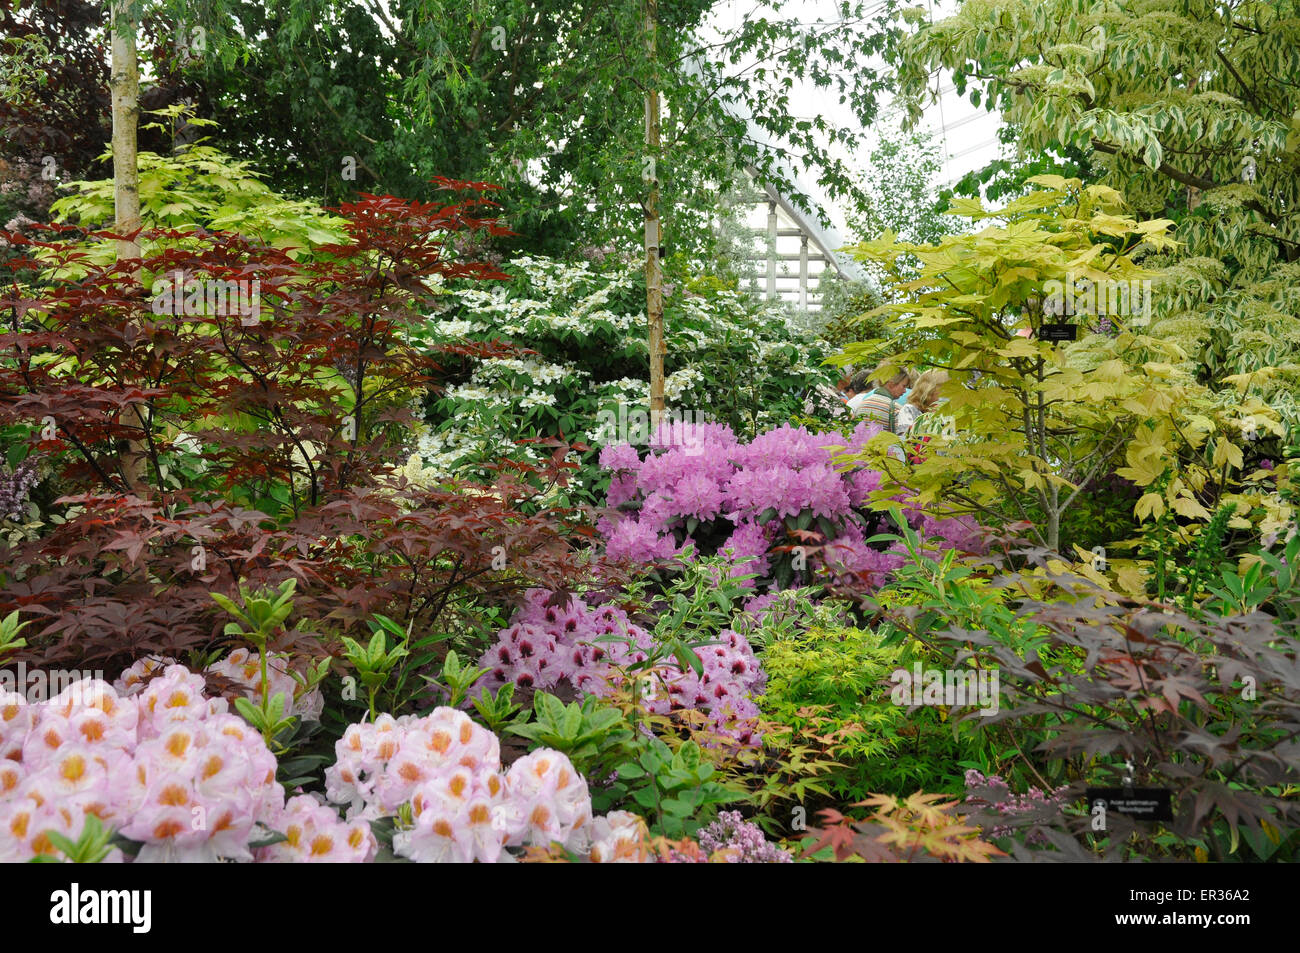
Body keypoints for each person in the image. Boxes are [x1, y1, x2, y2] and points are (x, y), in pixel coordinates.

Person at [901, 369, 953, 464]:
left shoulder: (947, 415)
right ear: (930, 389)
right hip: (916, 468)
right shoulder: (910, 410)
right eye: (945, 390)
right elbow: (904, 445)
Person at [853, 365, 912, 434]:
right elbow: (903, 436)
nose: (905, 391)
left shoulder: (862, 404)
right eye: (903, 386)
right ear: (891, 384)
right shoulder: (896, 409)